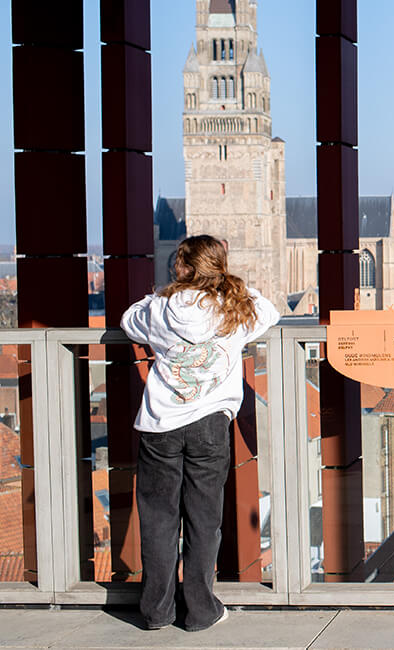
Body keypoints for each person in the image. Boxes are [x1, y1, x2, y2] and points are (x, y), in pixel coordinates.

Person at [121, 235, 279, 631]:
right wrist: (232, 283)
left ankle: (157, 611)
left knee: (159, 519)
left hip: (161, 422)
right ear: (218, 266)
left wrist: (156, 297)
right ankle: (200, 610)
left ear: (181, 267)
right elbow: (269, 311)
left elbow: (128, 321)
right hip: (210, 423)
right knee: (204, 519)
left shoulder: (160, 309)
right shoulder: (234, 308)